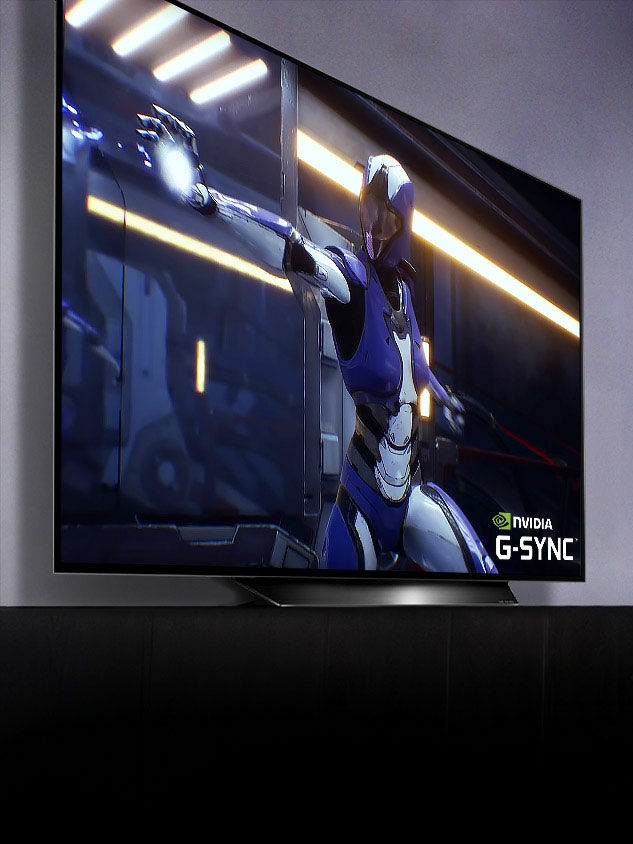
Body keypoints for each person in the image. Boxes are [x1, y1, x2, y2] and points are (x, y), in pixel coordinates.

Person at [134, 105, 497, 574]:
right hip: (363, 500)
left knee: (481, 574)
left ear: (404, 223)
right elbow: (292, 248)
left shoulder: (403, 295)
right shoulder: (351, 280)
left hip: (409, 493)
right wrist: (207, 197)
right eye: (369, 211)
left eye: (387, 218)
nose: (374, 228)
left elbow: (416, 370)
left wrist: (445, 401)